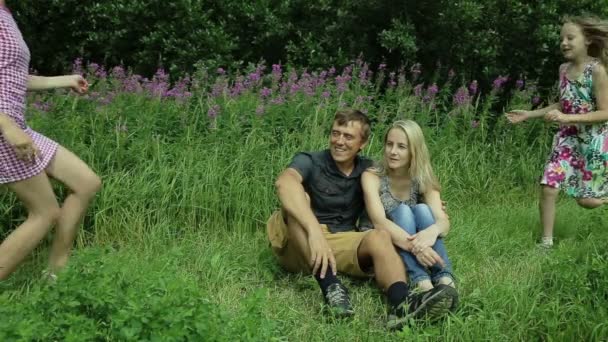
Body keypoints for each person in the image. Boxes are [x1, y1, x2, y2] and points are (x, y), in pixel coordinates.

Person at [267, 109, 457, 329]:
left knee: (379, 236)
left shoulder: (368, 171)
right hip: (301, 243)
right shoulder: (310, 160)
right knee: (299, 201)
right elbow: (285, 183)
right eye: (335, 133)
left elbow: (398, 191)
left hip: (341, 240)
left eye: (348, 137)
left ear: (363, 143)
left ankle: (402, 305)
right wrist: (315, 232)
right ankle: (331, 287)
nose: (339, 141)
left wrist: (432, 211)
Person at [0, 1, 101, 281]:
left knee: (86, 183)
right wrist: (5, 125)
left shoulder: (6, 14)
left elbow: (14, 77)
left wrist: (64, 80)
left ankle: (56, 273)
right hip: (5, 131)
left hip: (19, 128)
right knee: (44, 213)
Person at [506, 16, 608, 248]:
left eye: (570, 38)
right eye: (561, 38)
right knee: (548, 186)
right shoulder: (563, 69)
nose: (564, 43)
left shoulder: (597, 70)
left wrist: (567, 117)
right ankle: (546, 243)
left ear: (588, 40)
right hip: (567, 139)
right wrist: (529, 114)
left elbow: (605, 112)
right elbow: (564, 104)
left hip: (593, 142)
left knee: (586, 200)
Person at [361, 120, 456, 303]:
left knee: (422, 209)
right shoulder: (372, 176)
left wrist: (431, 232)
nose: (393, 151)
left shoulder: (422, 177)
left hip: (412, 241)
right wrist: (417, 247)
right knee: (404, 211)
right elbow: (379, 222)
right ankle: (421, 282)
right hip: (382, 241)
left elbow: (443, 222)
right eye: (389, 144)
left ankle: (444, 278)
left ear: (414, 150)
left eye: (401, 146)